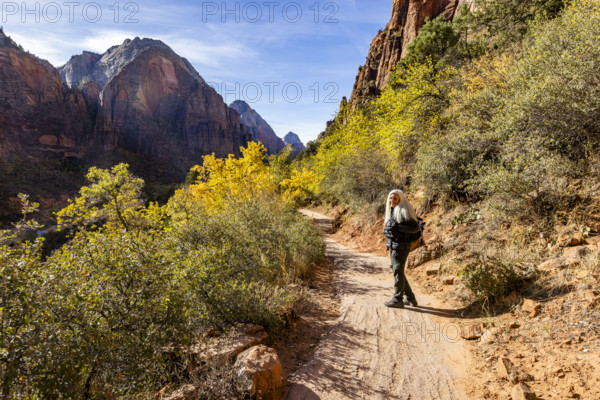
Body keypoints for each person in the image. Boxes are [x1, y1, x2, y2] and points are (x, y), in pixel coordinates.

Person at [383, 189, 421, 309]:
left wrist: (397, 227)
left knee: (398, 271)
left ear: (400, 199)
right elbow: (390, 229)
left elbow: (415, 228)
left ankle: (397, 299)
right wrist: (388, 231)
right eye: (391, 198)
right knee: (398, 270)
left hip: (402, 246)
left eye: (395, 198)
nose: (392, 200)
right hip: (394, 246)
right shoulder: (393, 210)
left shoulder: (404, 210)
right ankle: (410, 298)